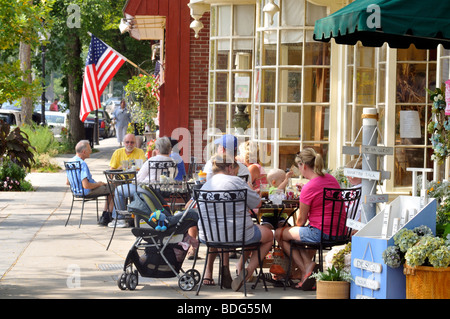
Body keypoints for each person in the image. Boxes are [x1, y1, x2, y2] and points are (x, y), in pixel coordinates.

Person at [197, 154, 273, 291]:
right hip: (238, 234)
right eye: (235, 171)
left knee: (224, 229)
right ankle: (247, 271)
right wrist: (249, 187)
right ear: (230, 167)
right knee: (268, 236)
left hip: (209, 235)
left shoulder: (205, 186)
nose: (235, 174)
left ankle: (223, 269)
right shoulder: (237, 182)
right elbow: (257, 203)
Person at [274, 148, 341, 290]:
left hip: (321, 232)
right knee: (299, 234)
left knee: (280, 233)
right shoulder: (331, 179)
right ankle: (306, 267)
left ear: (303, 165)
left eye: (298, 166)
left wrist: (305, 193)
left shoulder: (309, 187)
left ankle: (305, 269)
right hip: (340, 231)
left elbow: (300, 221)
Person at [67, 140, 114, 226]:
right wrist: (99, 184)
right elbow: (86, 185)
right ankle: (107, 216)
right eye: (89, 149)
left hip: (76, 191)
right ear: (84, 152)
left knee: (108, 189)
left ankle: (105, 215)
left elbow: (67, 182)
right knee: (113, 188)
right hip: (87, 191)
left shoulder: (70, 162)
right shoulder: (82, 164)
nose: (91, 151)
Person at [106, 134, 147, 228]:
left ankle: (122, 218)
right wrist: (120, 169)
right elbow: (111, 169)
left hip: (134, 181)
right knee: (116, 189)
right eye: (127, 142)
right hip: (120, 181)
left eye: (132, 142)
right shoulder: (118, 152)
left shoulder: (139, 152)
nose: (129, 144)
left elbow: (143, 167)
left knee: (128, 190)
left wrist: (132, 168)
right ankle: (121, 218)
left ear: (135, 143)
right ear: (123, 143)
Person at [345, 158, 363, 223]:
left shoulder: (363, 190)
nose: (347, 176)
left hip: (353, 226)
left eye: (351, 174)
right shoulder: (351, 190)